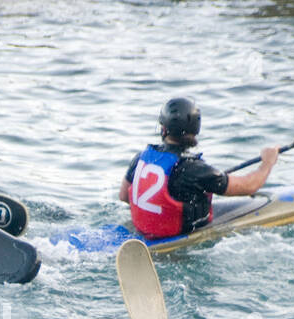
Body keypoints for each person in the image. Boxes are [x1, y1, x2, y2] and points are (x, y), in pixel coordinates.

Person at [120, 97, 280, 239]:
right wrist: (267, 162)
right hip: (176, 239)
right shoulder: (196, 170)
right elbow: (250, 186)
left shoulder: (140, 157)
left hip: (142, 231)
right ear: (195, 131)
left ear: (163, 129)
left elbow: (123, 196)